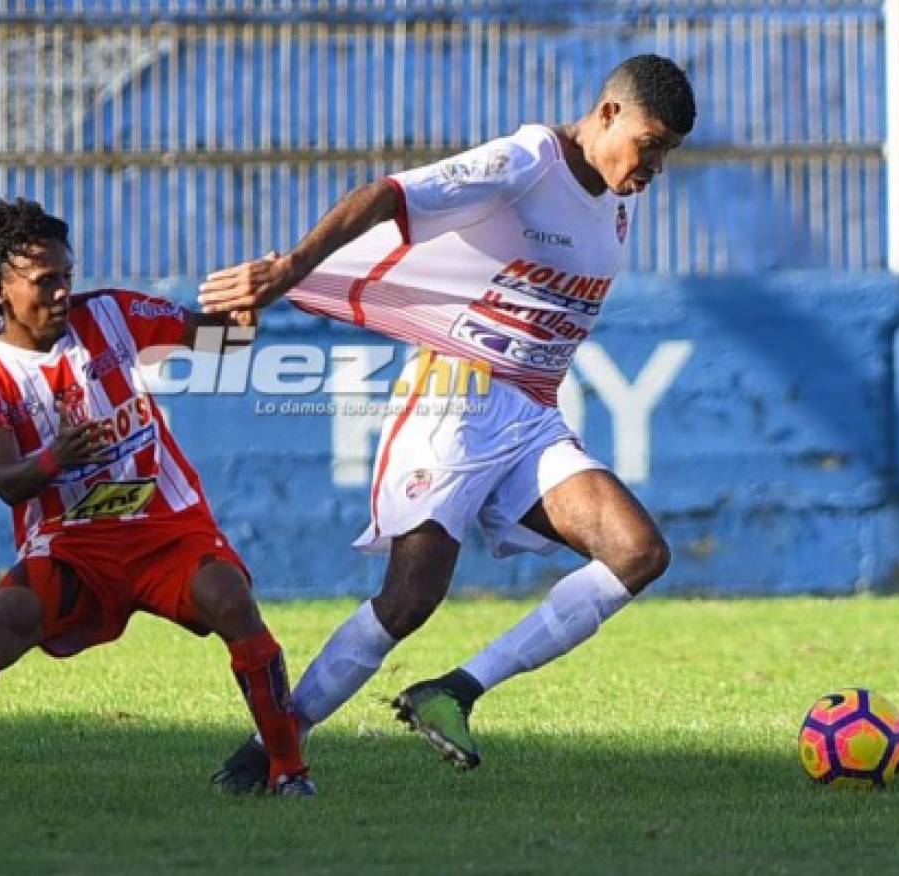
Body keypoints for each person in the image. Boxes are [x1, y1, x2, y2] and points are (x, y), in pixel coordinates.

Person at [200, 54, 696, 786]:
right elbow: (388, 196)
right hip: (454, 403)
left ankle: (455, 691)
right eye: (650, 144)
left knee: (637, 552)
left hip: (529, 415)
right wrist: (293, 268)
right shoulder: (528, 161)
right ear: (608, 114)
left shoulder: (620, 196)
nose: (655, 166)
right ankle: (273, 749)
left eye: (669, 154)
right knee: (409, 600)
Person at [0, 198, 314, 809]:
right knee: (7, 618)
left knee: (230, 599)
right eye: (46, 281)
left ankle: (289, 772)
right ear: (0, 288)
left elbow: (224, 342)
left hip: (164, 528)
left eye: (67, 276)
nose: (62, 292)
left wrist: (254, 296)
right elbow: (6, 480)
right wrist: (55, 458)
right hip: (72, 544)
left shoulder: (112, 315)